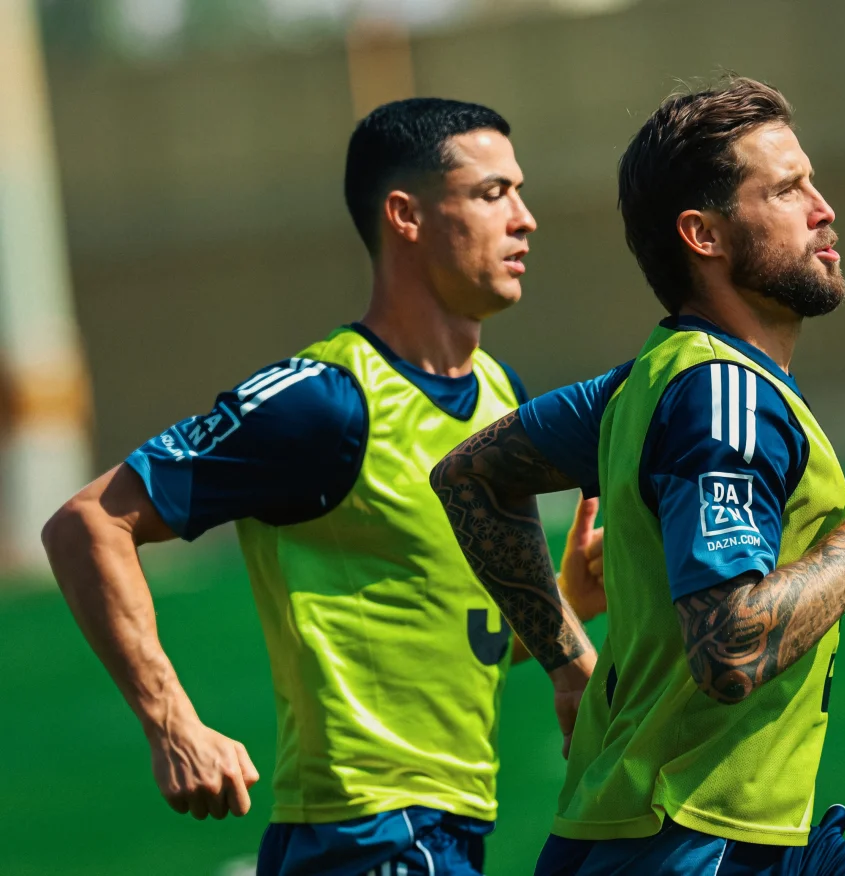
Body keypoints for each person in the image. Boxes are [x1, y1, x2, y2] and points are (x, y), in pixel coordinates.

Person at [41, 97, 603, 876]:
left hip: (444, 832)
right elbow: (88, 523)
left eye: (520, 191)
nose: (525, 218)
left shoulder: (502, 396)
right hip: (366, 836)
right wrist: (172, 722)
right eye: (492, 193)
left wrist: (564, 604)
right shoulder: (324, 401)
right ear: (405, 216)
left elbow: (437, 637)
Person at [430, 77, 845, 875]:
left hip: (731, 836)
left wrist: (569, 667)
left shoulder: (654, 379)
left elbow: (469, 475)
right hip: (686, 847)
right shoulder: (721, 396)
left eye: (811, 182)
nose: (823, 209)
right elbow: (731, 649)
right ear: (703, 235)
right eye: (785, 190)